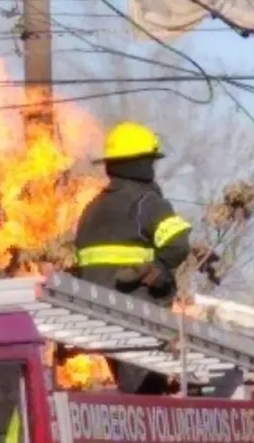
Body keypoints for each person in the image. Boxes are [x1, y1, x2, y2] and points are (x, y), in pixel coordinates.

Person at [74, 121, 193, 394]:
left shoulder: (91, 209)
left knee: (132, 388)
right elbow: (178, 245)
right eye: (150, 162)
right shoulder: (146, 203)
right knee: (148, 390)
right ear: (141, 164)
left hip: (96, 314)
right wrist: (158, 271)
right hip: (137, 313)